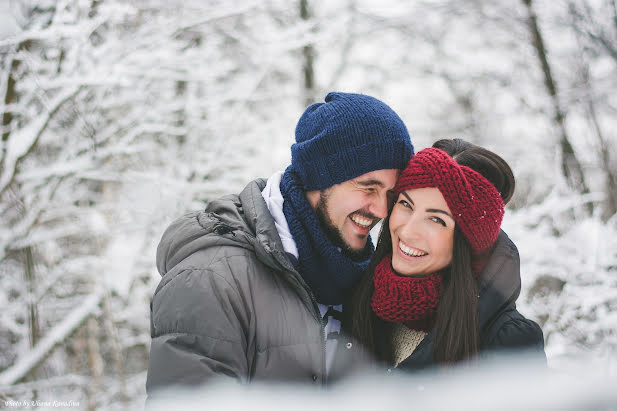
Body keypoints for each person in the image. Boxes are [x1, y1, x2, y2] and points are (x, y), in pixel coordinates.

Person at [146, 92, 415, 394]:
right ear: (319, 176)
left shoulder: (365, 277)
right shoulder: (211, 281)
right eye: (368, 187)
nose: (381, 210)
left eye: (391, 195)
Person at [350, 138, 545, 371]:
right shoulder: (357, 300)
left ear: (468, 242)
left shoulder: (509, 343)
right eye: (406, 205)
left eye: (436, 219)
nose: (408, 231)